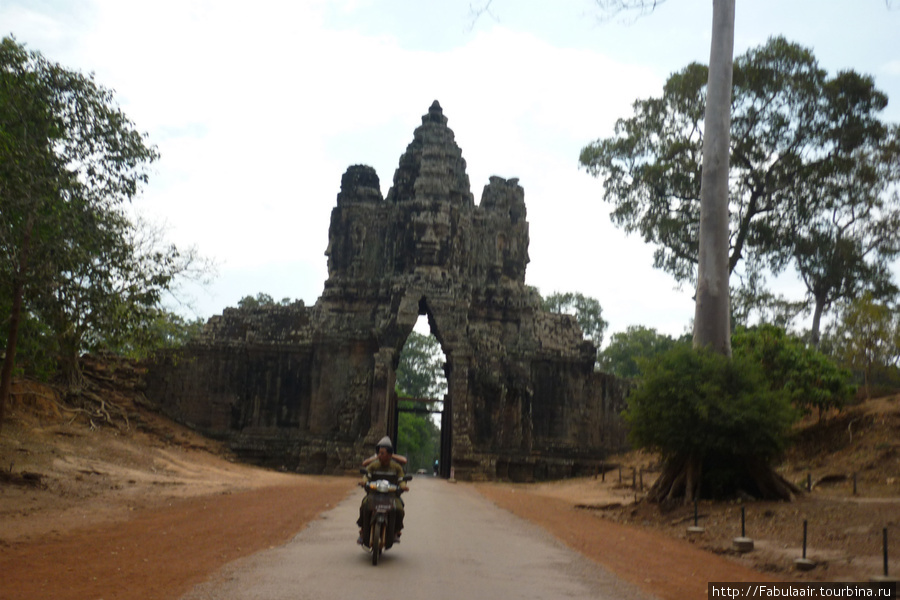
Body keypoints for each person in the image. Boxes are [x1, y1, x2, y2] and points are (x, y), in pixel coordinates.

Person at [357, 436, 408, 545]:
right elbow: (367, 475)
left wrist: (403, 486)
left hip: (391, 495)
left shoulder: (396, 467)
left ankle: (396, 531)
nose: (379, 455)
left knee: (399, 509)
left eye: (382, 453)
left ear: (390, 454)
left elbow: (401, 479)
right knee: (364, 506)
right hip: (374, 494)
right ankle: (362, 530)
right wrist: (364, 481)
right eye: (378, 453)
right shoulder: (374, 465)